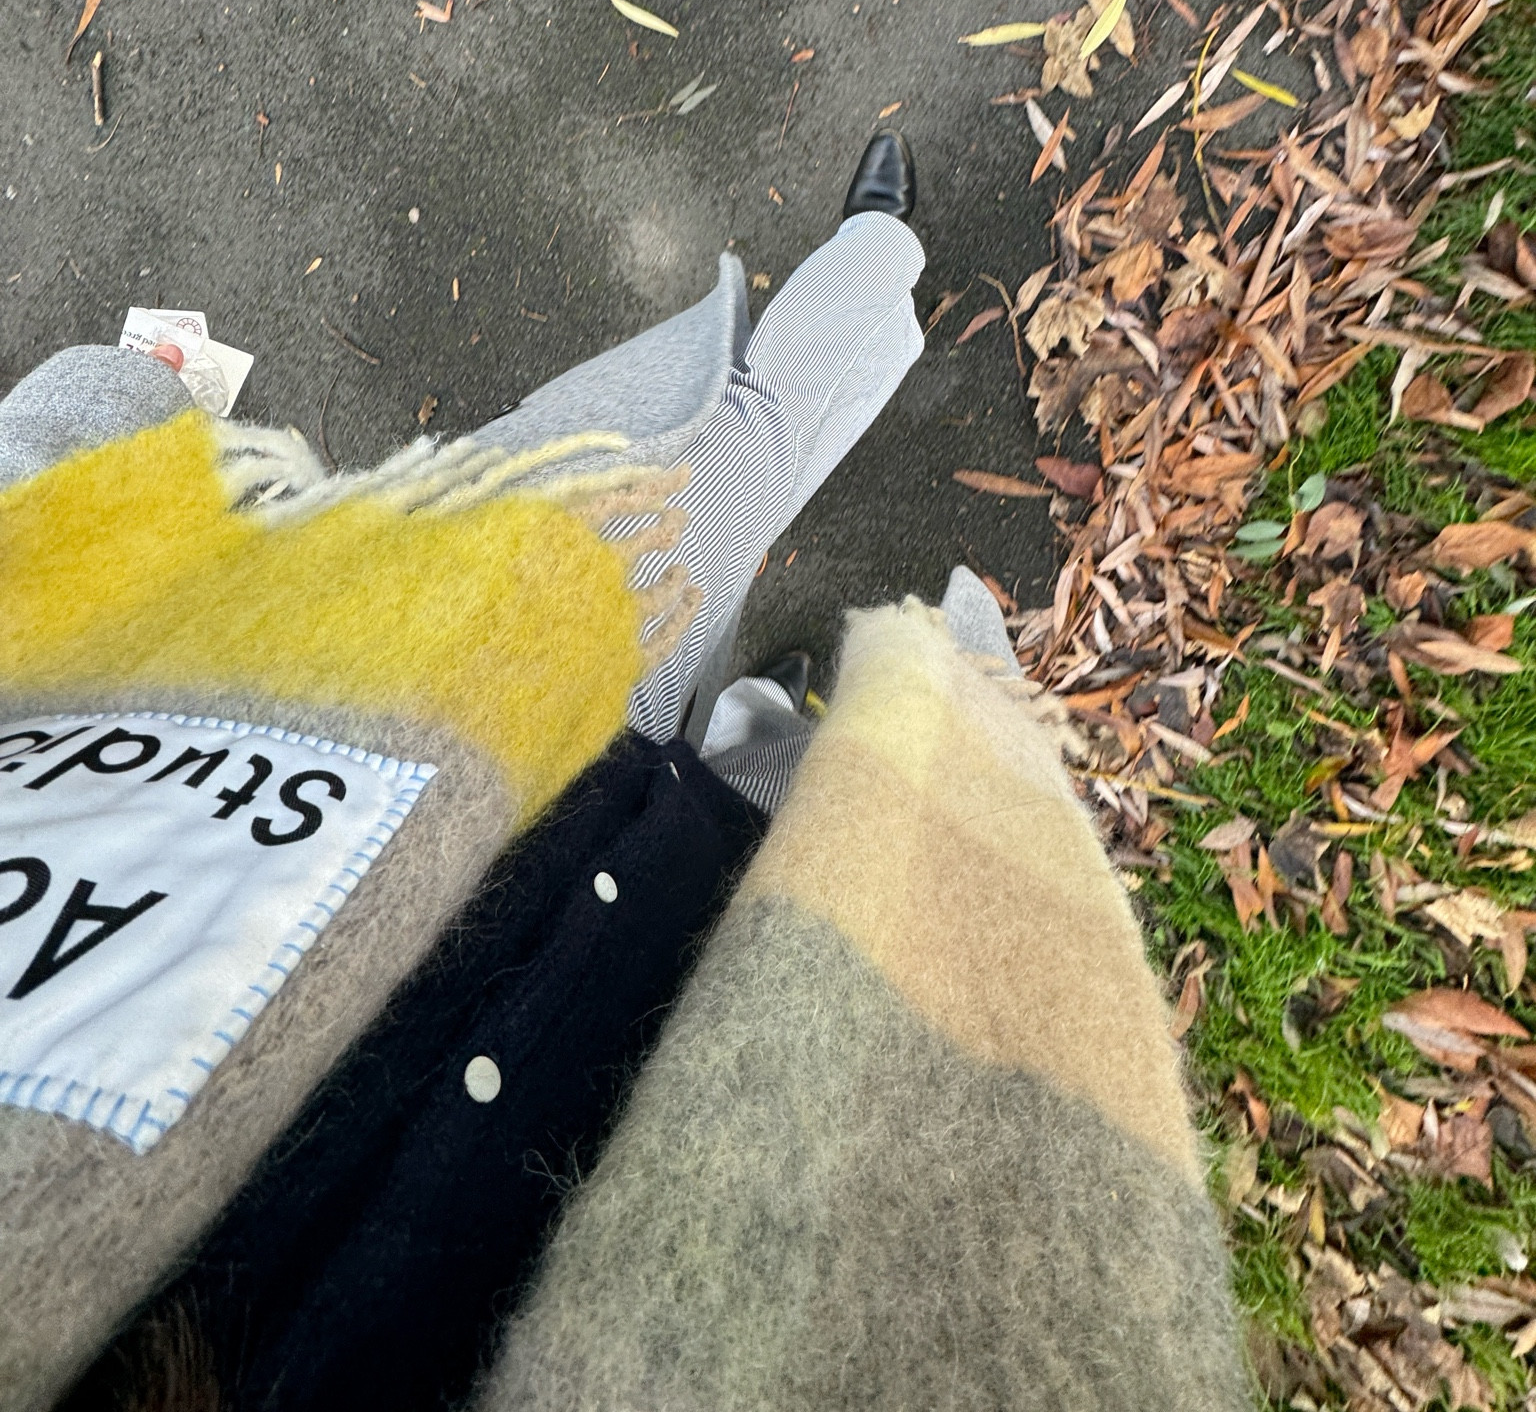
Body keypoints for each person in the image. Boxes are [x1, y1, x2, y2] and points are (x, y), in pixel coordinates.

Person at [0, 133, 924, 1412]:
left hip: (498, 684)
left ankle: (877, 265)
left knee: (733, 446)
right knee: (831, 774)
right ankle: (769, 705)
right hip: (711, 973)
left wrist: (101, 449)